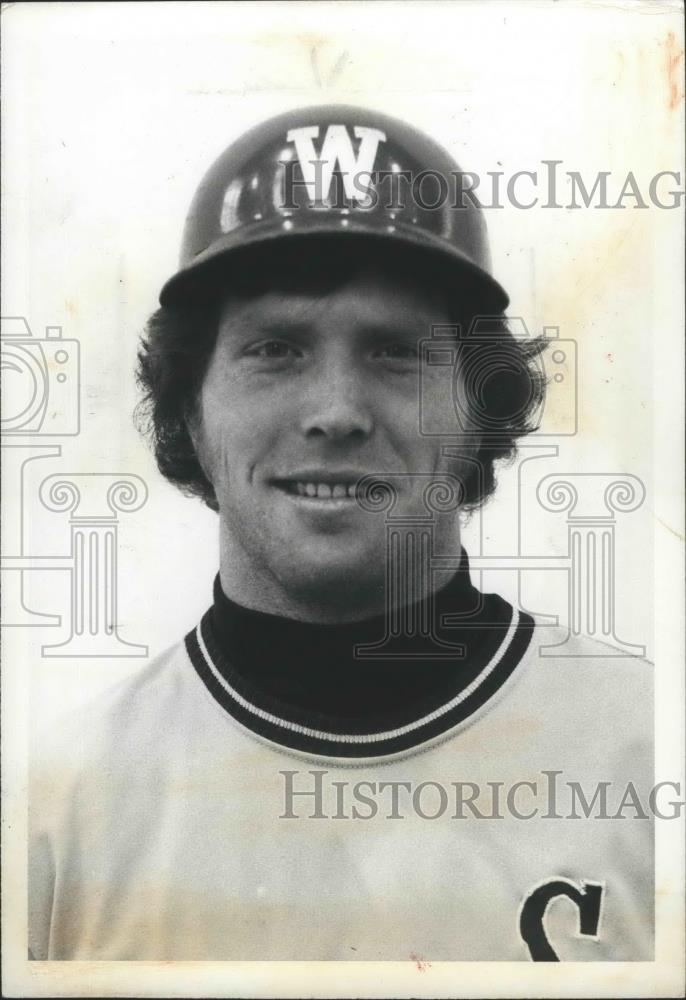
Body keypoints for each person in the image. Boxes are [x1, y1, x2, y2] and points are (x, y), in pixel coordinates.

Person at [29, 105, 653, 962]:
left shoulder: (649, 756)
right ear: (190, 411)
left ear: (482, 409)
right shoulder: (56, 810)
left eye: (396, 352)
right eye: (276, 349)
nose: (336, 412)